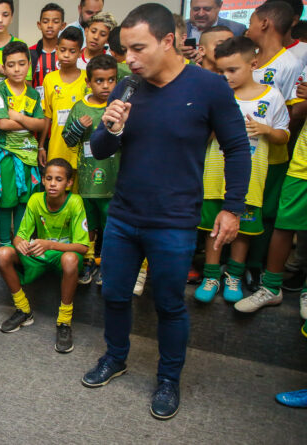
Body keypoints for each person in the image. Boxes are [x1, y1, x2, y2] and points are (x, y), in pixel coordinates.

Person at [80, 4, 250, 420]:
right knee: (115, 294)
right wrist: (111, 128)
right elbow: (100, 151)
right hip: (123, 215)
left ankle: (169, 378)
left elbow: (237, 147)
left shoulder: (209, 87)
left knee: (170, 304)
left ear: (168, 40)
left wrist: (232, 209)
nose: (130, 59)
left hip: (174, 220)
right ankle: (115, 357)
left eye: (138, 49)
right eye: (124, 51)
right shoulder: (126, 88)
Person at [196, 36, 290, 304]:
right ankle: (211, 276)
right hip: (215, 177)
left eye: (233, 70)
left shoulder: (271, 97)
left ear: (254, 63)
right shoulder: (217, 95)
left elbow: (284, 135)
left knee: (243, 230)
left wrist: (267, 130)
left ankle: (234, 275)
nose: (226, 76)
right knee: (212, 228)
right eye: (222, 70)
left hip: (251, 179)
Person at [0, 159, 88, 351]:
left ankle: (64, 321)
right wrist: (20, 244)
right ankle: (23, 310)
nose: (53, 183)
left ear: (69, 183)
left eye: (59, 179)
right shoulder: (36, 199)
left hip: (63, 256)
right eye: (49, 178)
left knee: (70, 259)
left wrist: (50, 244)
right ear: (43, 181)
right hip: (40, 254)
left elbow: (82, 247)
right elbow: (19, 236)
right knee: (3, 254)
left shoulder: (75, 202)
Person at [245, 1, 303, 290]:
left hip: (273, 156)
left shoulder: (289, 64)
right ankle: (234, 263)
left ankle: (254, 266)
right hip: (241, 153)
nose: (249, 26)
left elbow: (292, 115)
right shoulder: (249, 59)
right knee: (239, 205)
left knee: (264, 212)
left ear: (265, 23)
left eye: (252, 20)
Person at [62, 54, 119, 286]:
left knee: (111, 226)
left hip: (113, 183)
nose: (106, 86)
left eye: (111, 80)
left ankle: (108, 264)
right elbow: (68, 140)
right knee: (88, 226)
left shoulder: (118, 107)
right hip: (86, 182)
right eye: (99, 81)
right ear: (88, 82)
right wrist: (77, 126)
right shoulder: (79, 107)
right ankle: (88, 261)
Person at [0, 41, 45, 249]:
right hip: (7, 155)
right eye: (11, 65)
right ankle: (5, 242)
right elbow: (2, 123)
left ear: (28, 64)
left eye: (21, 64)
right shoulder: (0, 90)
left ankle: (19, 240)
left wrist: (18, 116)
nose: (17, 69)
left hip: (29, 155)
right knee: (7, 201)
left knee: (24, 200)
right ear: (4, 67)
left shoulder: (32, 93)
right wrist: (28, 121)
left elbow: (41, 123)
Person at [40, 27, 88, 171]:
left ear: (80, 53)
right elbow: (47, 116)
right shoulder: (49, 79)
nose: (66, 55)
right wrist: (41, 146)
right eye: (62, 50)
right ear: (56, 49)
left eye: (72, 51)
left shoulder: (87, 79)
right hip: (57, 147)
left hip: (80, 150)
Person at [30, 3, 66, 93]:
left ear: (63, 25)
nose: (50, 25)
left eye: (55, 22)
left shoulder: (67, 53)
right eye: (45, 21)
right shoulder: (30, 52)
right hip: (37, 104)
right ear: (39, 25)